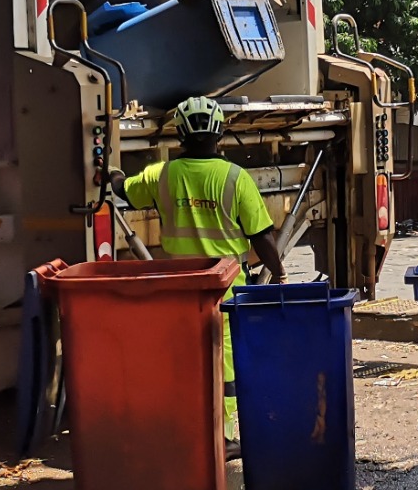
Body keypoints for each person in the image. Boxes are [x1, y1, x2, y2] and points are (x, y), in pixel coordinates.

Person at [110, 96, 286, 443]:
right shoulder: (236, 179)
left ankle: (184, 431)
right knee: (227, 368)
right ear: (219, 132)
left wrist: (113, 171)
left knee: (181, 360)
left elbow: (123, 192)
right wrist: (279, 273)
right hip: (226, 291)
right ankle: (226, 437)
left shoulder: (161, 175)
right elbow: (261, 238)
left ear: (181, 134)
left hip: (178, 290)